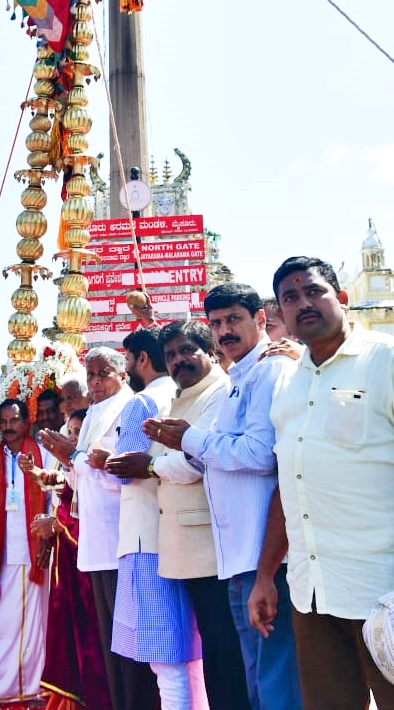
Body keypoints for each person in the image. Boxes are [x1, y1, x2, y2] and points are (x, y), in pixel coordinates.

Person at [248, 256, 394, 710]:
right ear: (281, 313)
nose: (303, 303)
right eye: (290, 298)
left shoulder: (383, 360)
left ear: (342, 298)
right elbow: (290, 484)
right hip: (312, 591)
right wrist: (266, 575)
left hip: (382, 590)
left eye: (314, 291)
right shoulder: (288, 382)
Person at [155, 283, 303, 710]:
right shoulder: (242, 376)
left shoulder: (271, 370)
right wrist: (187, 442)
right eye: (217, 323)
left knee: (275, 686)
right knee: (257, 683)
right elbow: (219, 455)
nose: (224, 331)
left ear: (261, 318)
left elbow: (259, 454)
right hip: (238, 559)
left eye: (234, 319)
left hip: (267, 560)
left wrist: (192, 440)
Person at [143, 320, 250, 710]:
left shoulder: (219, 393)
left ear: (211, 351)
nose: (178, 360)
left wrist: (152, 467)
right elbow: (167, 455)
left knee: (226, 650)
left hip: (210, 546)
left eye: (187, 350)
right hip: (181, 546)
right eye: (170, 355)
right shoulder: (178, 397)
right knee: (210, 648)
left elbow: (194, 460)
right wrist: (158, 462)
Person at [103, 328, 205, 710]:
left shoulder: (143, 402)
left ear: (142, 359)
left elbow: (126, 468)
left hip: (146, 538)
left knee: (166, 660)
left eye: (127, 360)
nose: (127, 368)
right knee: (189, 654)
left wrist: (91, 460)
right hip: (181, 537)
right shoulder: (183, 395)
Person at [38, 346, 132, 710]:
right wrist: (67, 464)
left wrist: (72, 458)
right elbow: (79, 482)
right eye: (90, 374)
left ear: (122, 373)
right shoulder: (93, 412)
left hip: (121, 535)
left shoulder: (131, 406)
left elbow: (122, 475)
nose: (94, 382)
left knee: (123, 640)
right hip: (92, 539)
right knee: (103, 638)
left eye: (102, 373)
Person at [29, 408, 111, 710]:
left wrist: (57, 524)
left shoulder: (92, 468)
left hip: (88, 563)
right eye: (72, 432)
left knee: (88, 633)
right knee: (67, 628)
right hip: (67, 560)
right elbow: (65, 496)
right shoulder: (71, 470)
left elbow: (89, 511)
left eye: (80, 433)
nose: (75, 438)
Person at [0, 398, 51, 706]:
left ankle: (31, 687)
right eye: (4, 422)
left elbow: (54, 497)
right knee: (0, 623)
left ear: (26, 422)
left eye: (14, 420)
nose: (9, 427)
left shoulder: (43, 453)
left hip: (32, 550)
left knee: (33, 624)